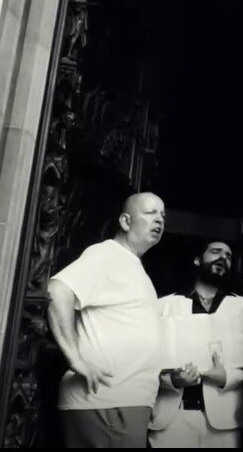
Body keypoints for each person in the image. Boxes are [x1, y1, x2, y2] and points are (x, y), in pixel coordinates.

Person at [47, 192, 167, 448]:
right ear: (125, 221)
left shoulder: (131, 263)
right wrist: (75, 358)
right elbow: (58, 291)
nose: (159, 220)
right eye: (150, 213)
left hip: (123, 403)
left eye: (163, 215)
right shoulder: (106, 254)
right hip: (105, 402)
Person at [149, 241, 243, 448]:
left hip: (225, 421)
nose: (223, 258)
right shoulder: (164, 305)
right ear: (198, 260)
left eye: (228, 256)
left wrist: (228, 378)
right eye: (216, 252)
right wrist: (171, 380)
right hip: (171, 420)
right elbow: (148, 362)